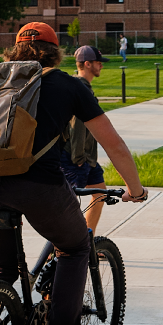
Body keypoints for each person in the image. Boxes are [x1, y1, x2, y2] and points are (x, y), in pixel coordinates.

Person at [0, 23, 147, 325]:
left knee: (0, 267)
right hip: (39, 186)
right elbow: (113, 144)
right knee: (76, 246)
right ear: (55, 51)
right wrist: (135, 189)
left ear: (15, 50)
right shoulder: (68, 85)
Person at [60, 46, 110, 235]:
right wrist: (79, 158)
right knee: (69, 207)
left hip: (86, 157)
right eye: (98, 63)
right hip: (75, 157)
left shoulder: (81, 86)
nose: (101, 66)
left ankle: (87, 240)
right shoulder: (80, 88)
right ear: (87, 64)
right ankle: (58, 251)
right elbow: (77, 125)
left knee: (99, 193)